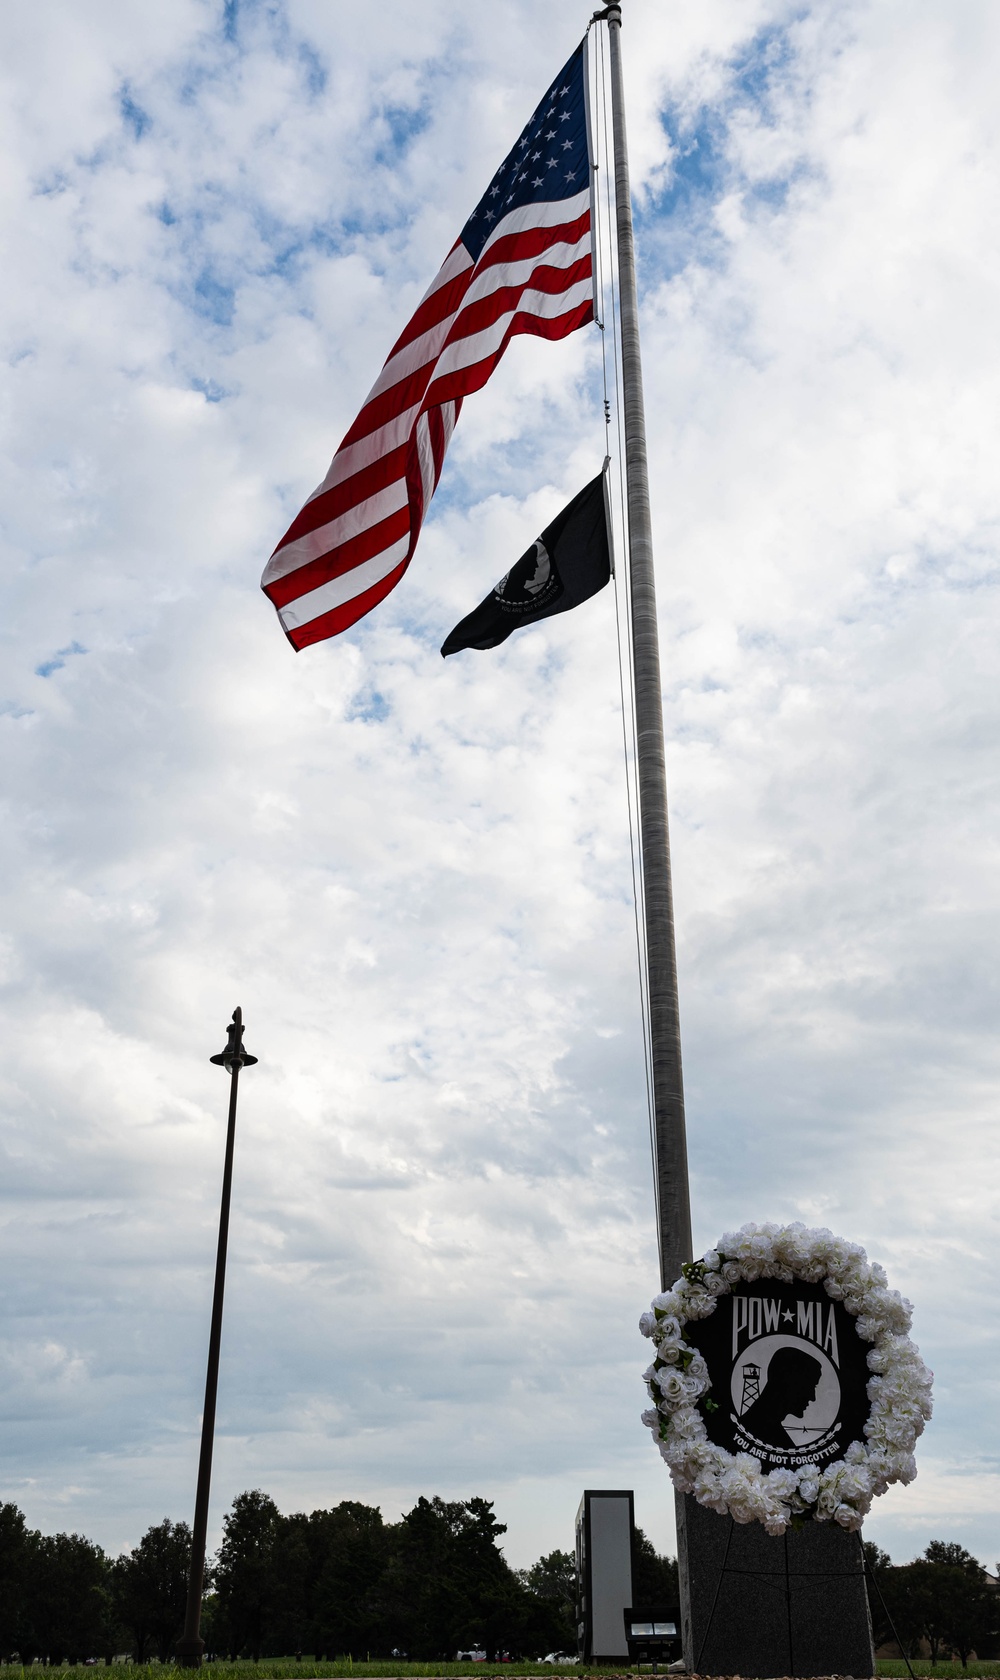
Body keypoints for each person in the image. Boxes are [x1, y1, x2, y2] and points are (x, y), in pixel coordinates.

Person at [739, 1345, 822, 1448]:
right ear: (789, 1383)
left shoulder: (754, 1430)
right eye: (810, 1386)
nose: (812, 1397)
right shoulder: (761, 1433)